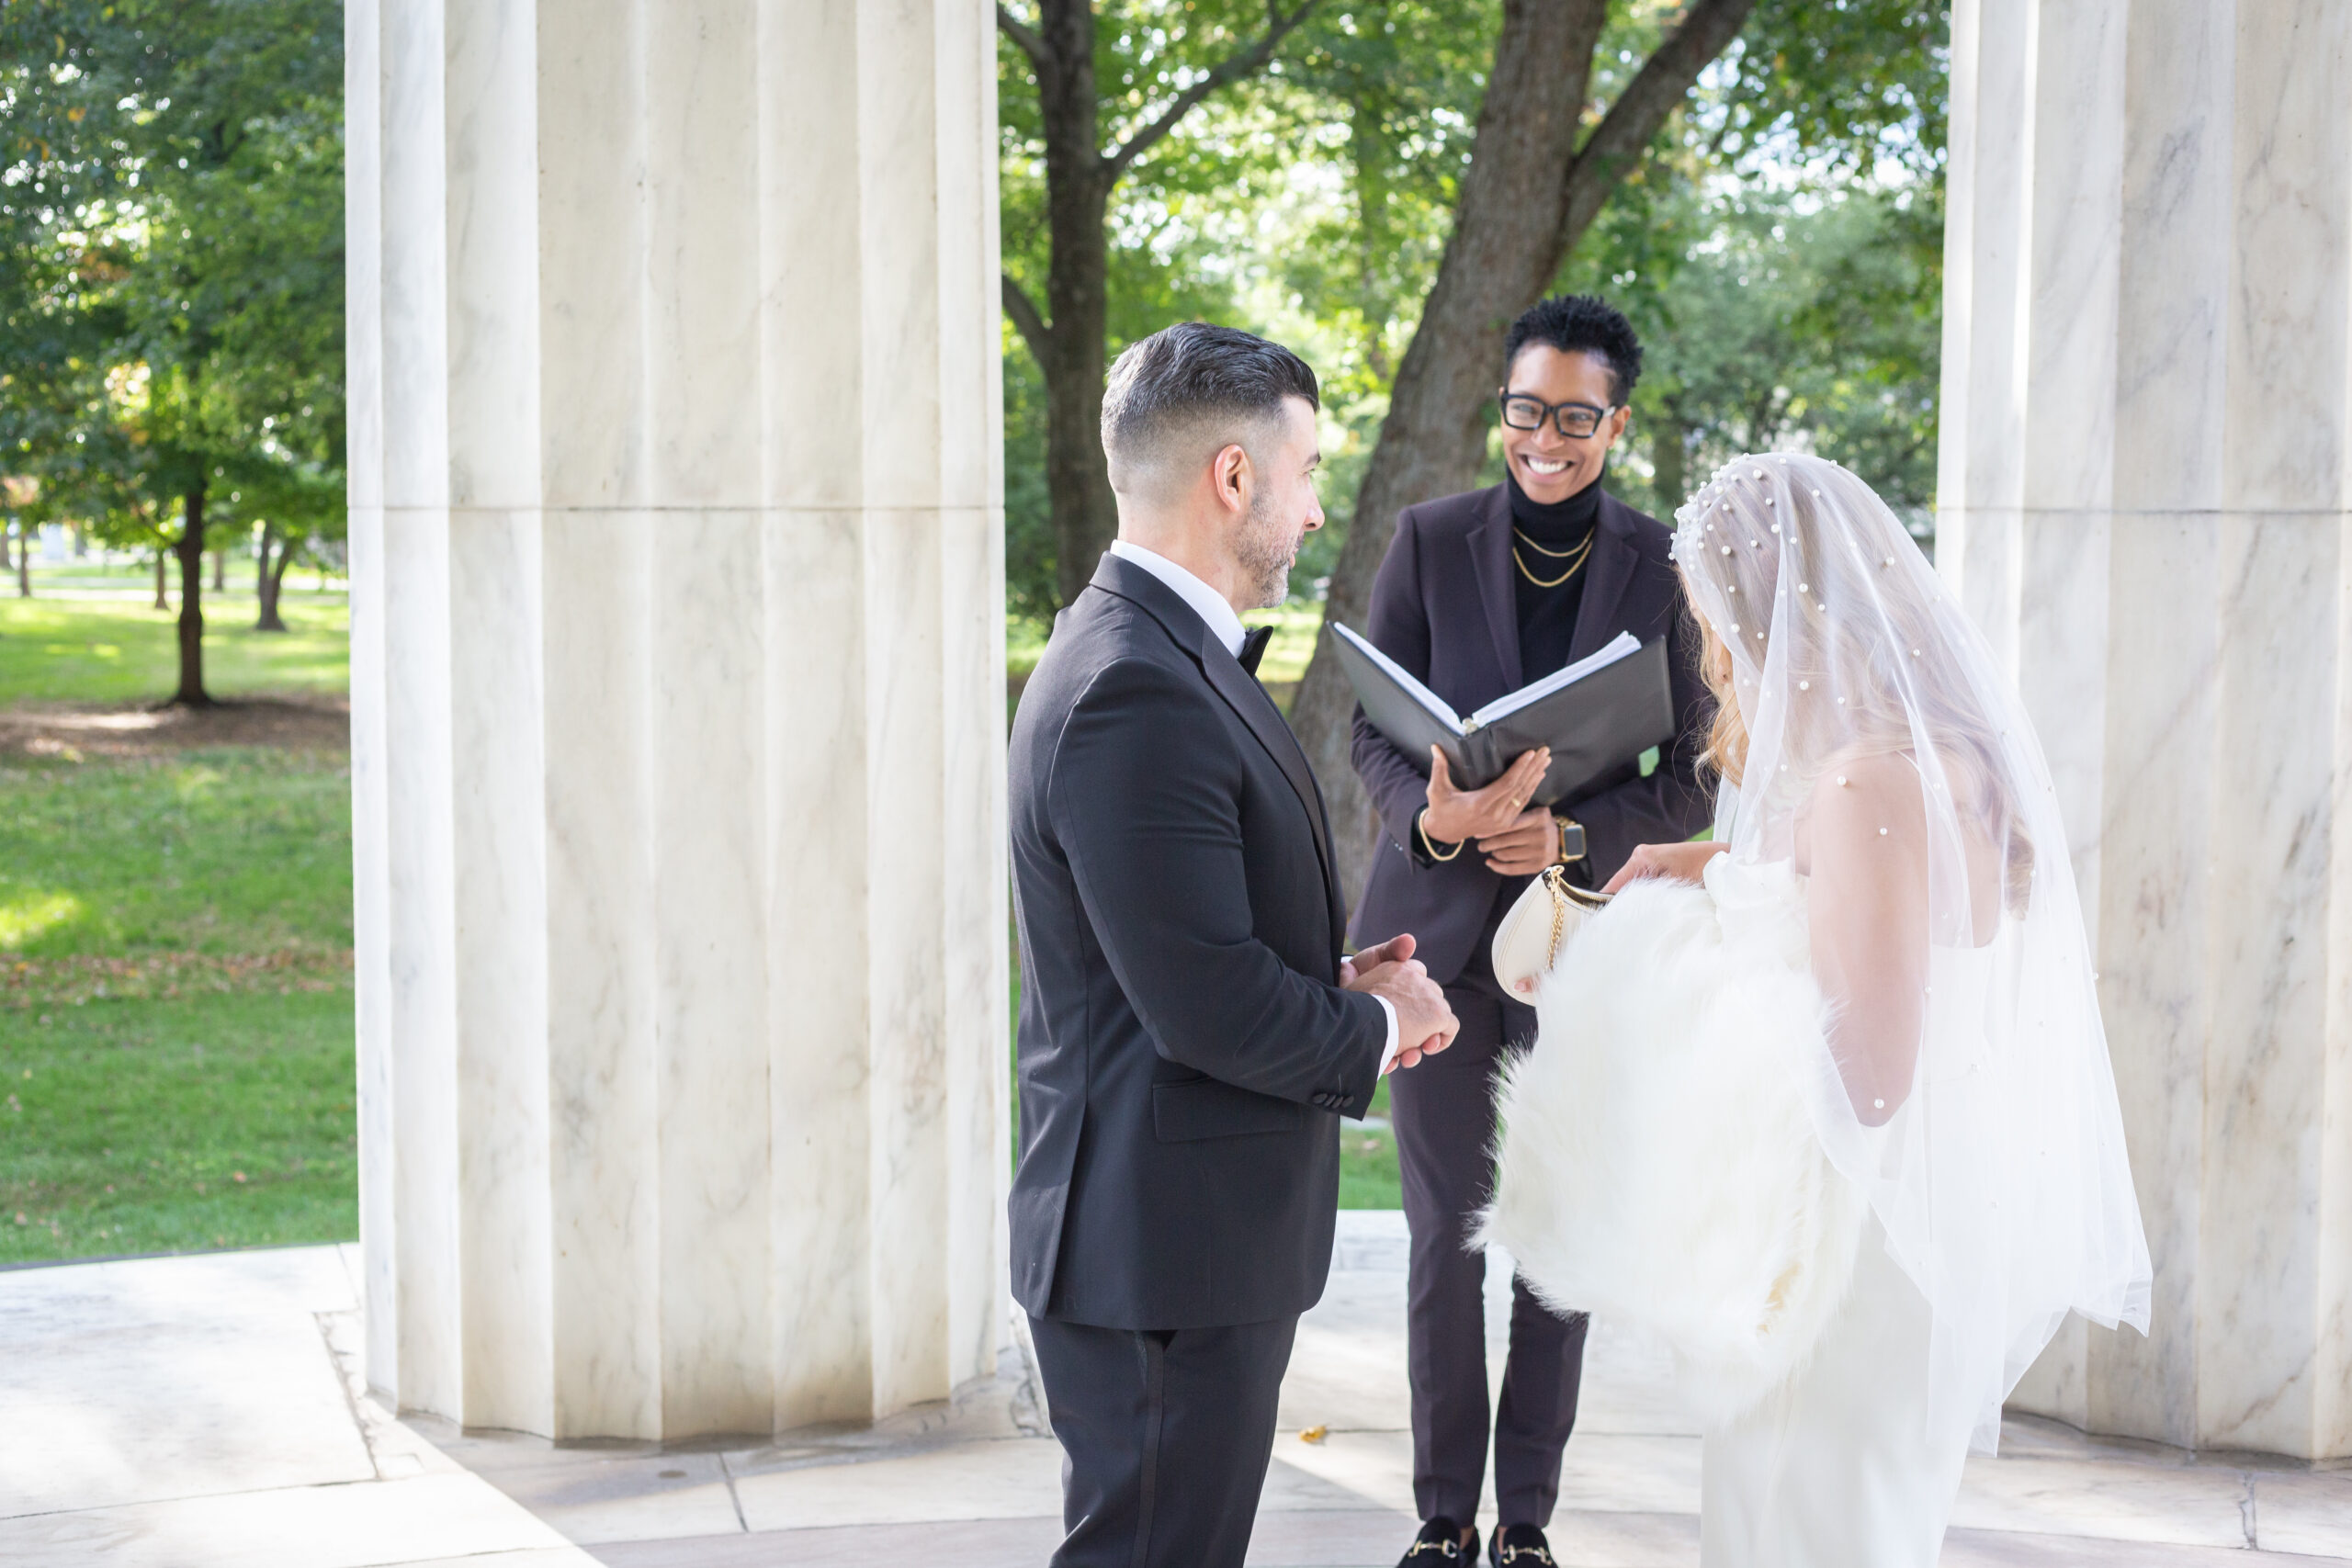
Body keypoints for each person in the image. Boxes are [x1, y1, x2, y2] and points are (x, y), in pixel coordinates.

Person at [1485, 452, 2152, 1565]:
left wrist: (1649, 996)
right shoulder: (1926, 761)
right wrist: (1718, 866)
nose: (1712, 653)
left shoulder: (1858, 787)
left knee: (1800, 1527)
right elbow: (1867, 903)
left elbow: (1867, 1075)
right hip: (1914, 1213)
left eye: (1710, 619)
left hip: (1847, 1254)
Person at [1009, 321, 1463, 1568]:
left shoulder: (1149, 648)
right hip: (1162, 1255)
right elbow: (1203, 1003)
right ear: (1231, 476)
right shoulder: (1132, 683)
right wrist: (1388, 1020)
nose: (1314, 507)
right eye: (1306, 472)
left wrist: (1332, 981)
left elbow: (1171, 946)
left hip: (1182, 1242)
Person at [1348, 294, 1714, 1567]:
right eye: (1525, 409)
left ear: (1615, 424)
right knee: (1444, 1235)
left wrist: (1567, 836)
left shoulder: (1665, 566)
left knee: (1556, 1234)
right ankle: (1442, 1514)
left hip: (1582, 945)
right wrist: (1438, 818)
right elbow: (1369, 726)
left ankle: (1525, 1523)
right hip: (1434, 947)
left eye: (1572, 416)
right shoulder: (1426, 539)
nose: (1543, 438)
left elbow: (1700, 767)